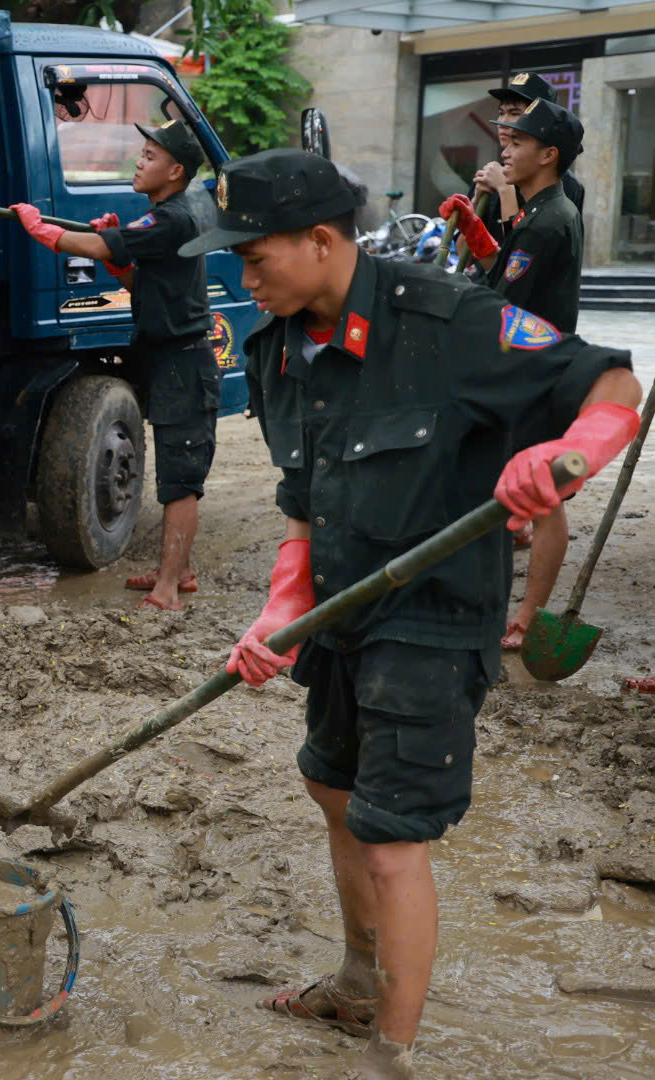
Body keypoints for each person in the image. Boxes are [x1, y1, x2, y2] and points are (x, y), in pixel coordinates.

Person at [185, 148, 640, 1079]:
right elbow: (303, 507)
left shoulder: (450, 320)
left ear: (320, 240)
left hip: (432, 620)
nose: (242, 275)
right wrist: (280, 610)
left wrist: (564, 458)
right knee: (334, 794)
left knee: (393, 840)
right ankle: (358, 986)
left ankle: (391, 1056)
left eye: (253, 254)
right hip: (342, 613)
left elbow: (612, 389)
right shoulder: (278, 349)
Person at [11, 118, 219, 609]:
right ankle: (179, 570)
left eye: (150, 156)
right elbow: (138, 284)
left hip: (183, 364)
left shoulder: (172, 218)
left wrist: (45, 230)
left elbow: (101, 244)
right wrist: (120, 262)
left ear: (176, 171)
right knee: (177, 469)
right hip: (170, 358)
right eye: (142, 152)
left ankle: (169, 588)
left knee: (179, 479)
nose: (139, 161)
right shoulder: (168, 217)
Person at [441, 97, 588, 650]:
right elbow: (503, 271)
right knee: (502, 492)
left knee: (543, 501)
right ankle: (489, 599)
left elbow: (503, 303)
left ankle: (527, 614)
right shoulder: (532, 212)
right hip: (519, 376)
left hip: (539, 378)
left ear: (548, 155)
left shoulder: (550, 219)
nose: (506, 149)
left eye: (518, 142)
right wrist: (479, 236)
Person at [467, 72, 585, 251]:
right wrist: (474, 204)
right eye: (501, 113)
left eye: (515, 113)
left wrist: (504, 189)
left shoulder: (561, 184)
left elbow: (521, 256)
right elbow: (464, 254)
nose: (503, 122)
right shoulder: (490, 173)